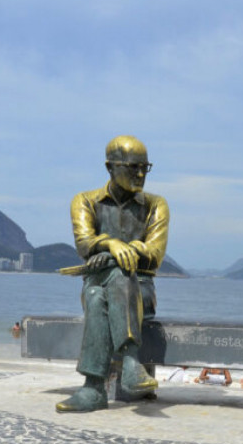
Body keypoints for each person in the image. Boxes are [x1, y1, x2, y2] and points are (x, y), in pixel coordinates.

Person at [57, 136, 169, 413]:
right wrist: (111, 244)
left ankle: (93, 388)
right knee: (100, 288)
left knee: (100, 294)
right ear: (110, 167)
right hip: (97, 279)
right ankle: (131, 363)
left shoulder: (156, 205)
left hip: (140, 289)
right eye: (133, 168)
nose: (141, 175)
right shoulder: (85, 201)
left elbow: (154, 254)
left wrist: (118, 255)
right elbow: (83, 243)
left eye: (145, 167)